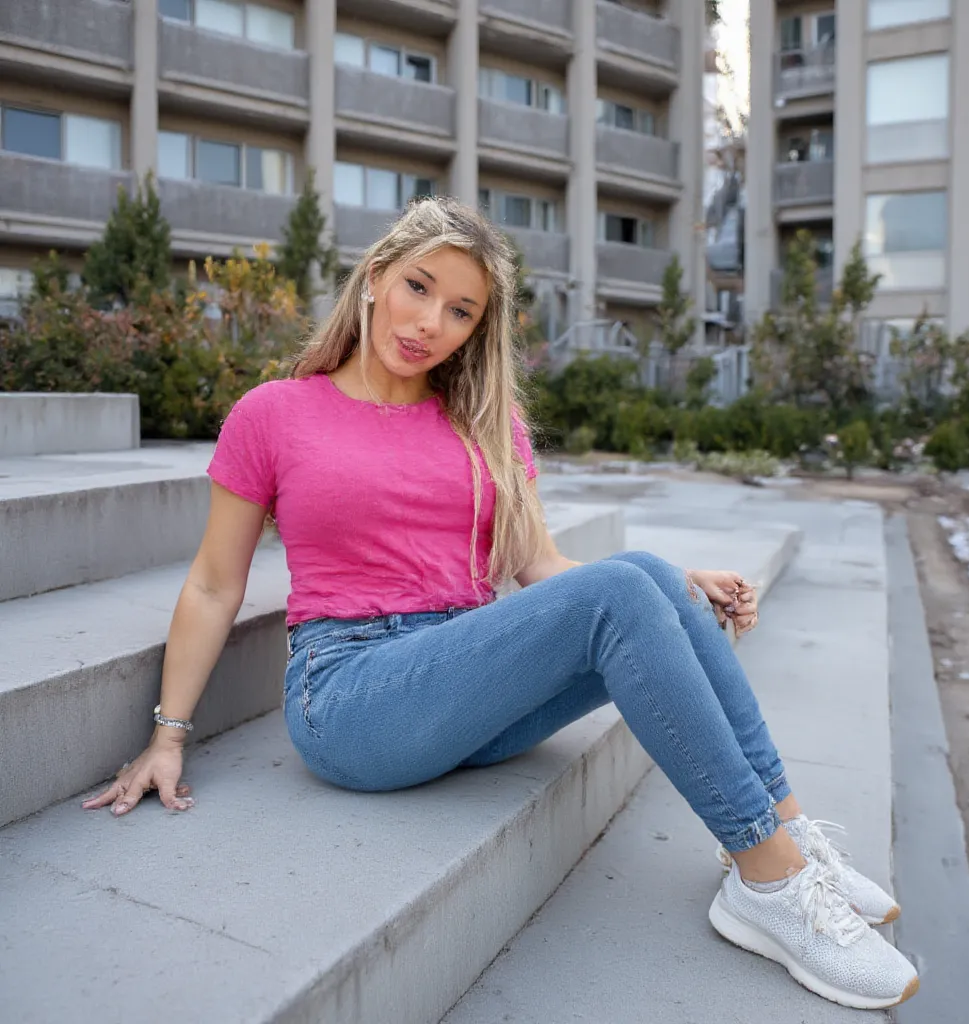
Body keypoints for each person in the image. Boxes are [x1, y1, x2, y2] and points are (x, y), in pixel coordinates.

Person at [83, 197, 919, 1011]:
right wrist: (168, 734)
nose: (429, 324)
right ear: (374, 276)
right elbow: (213, 582)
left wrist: (677, 588)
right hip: (351, 695)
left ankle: (790, 834)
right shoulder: (276, 413)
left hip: (465, 673)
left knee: (652, 579)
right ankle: (767, 881)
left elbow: (540, 567)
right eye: (418, 287)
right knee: (634, 581)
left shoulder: (487, 422)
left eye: (460, 311)